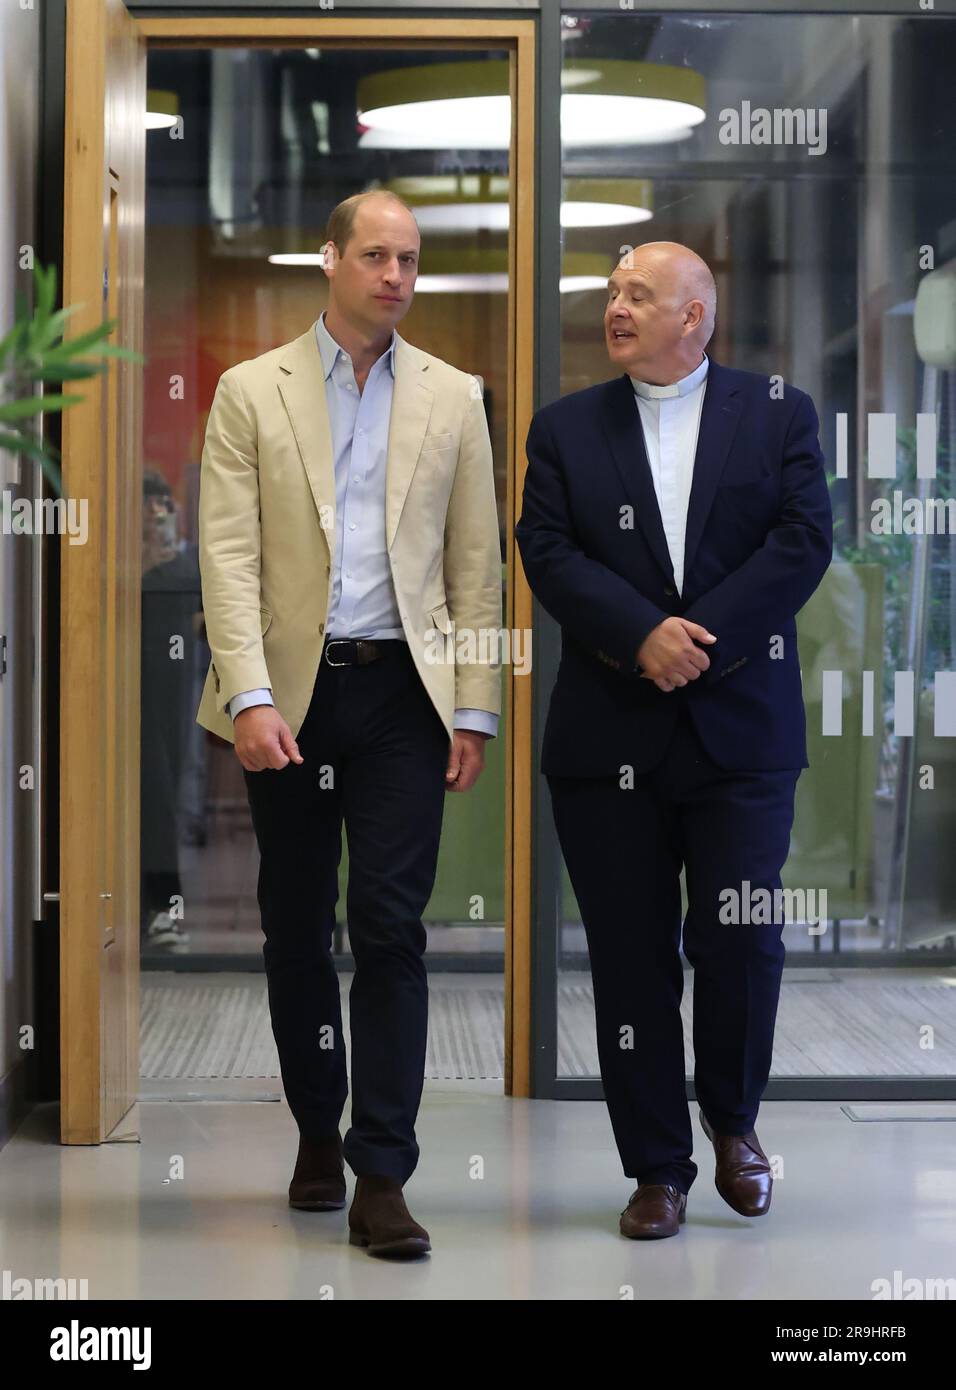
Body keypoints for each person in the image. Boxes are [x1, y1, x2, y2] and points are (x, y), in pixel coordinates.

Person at [196, 190, 502, 1258]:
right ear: (327, 260)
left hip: (402, 700)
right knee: (293, 921)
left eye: (409, 259)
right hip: (288, 690)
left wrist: (474, 704)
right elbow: (227, 558)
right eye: (374, 254)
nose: (395, 276)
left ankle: (383, 1168)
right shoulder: (248, 391)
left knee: (388, 923)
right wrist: (248, 695)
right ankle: (315, 1131)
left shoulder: (455, 396)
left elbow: (475, 565)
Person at [515, 241, 832, 1239]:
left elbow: (799, 537)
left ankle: (733, 1123)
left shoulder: (776, 412)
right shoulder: (566, 428)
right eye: (611, 292)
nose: (614, 307)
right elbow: (547, 549)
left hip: (739, 729)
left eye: (636, 295)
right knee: (627, 955)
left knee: (740, 935)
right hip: (607, 732)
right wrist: (636, 636)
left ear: (692, 316)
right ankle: (655, 1166)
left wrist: (696, 642)